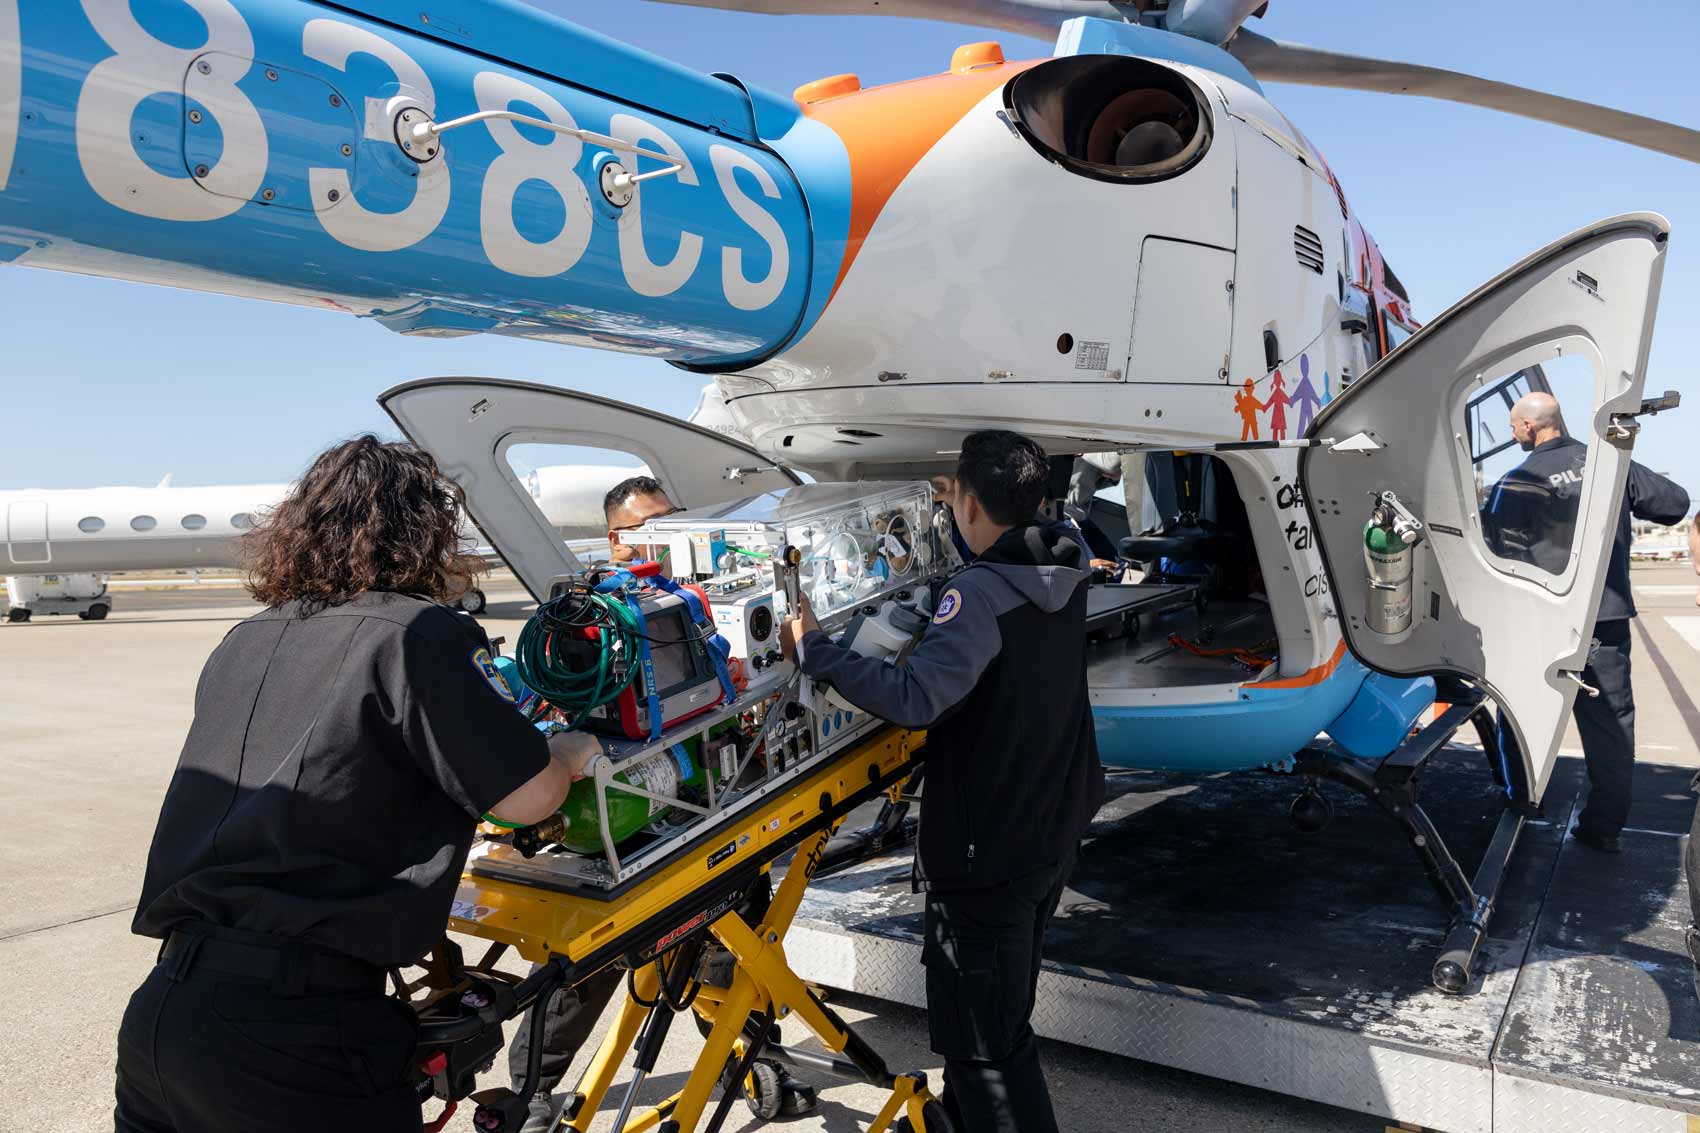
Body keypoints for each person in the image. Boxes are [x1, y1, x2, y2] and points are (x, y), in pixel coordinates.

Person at [115, 436, 602, 1133]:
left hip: (166, 1014)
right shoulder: (417, 631)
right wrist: (569, 750)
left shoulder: (245, 638)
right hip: (294, 1034)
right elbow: (526, 797)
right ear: (423, 530)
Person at [783, 429, 1105, 1133]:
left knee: (987, 1047)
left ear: (968, 504)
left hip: (986, 851)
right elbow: (1001, 580)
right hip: (1051, 825)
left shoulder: (977, 596)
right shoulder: (1067, 558)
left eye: (955, 493)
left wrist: (820, 652)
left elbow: (917, 698)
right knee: (1000, 1011)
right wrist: (962, 502)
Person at [509, 476, 814, 1131]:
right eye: (652, 528)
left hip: (706, 792)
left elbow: (730, 678)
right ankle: (533, 1088)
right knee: (582, 958)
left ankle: (750, 1057)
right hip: (613, 807)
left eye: (676, 523)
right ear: (617, 539)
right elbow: (540, 713)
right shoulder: (584, 625)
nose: (672, 541)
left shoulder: (687, 604)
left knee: (738, 934)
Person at [1482, 392, 1689, 852]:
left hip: (1540, 624)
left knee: (1517, 716)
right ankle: (1602, 828)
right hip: (1605, 620)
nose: (1514, 432)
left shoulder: (1516, 482)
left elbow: (1492, 557)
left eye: (1515, 425)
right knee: (1611, 727)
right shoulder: (1610, 463)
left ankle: (1522, 804)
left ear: (1530, 428)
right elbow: (1675, 503)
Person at [603, 474, 677, 564]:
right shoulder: (620, 578)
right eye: (652, 525)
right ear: (617, 540)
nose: (672, 530)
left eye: (674, 516)